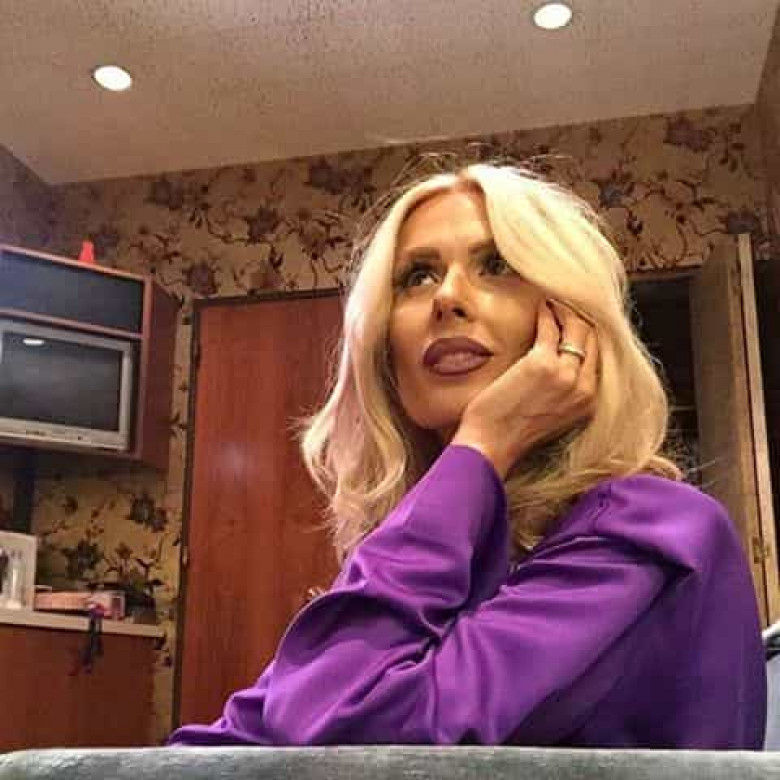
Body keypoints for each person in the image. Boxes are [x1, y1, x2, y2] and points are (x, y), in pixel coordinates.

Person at [168, 162, 766, 748]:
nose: (448, 297)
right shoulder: (454, 551)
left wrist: (482, 441)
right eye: (417, 276)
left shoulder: (650, 529)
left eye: (497, 265)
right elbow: (245, 734)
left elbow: (346, 739)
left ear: (573, 327)